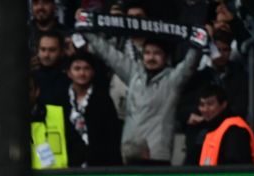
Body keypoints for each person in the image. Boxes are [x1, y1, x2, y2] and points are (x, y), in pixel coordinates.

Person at [82, 25, 202, 163]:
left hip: (157, 155)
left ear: (166, 57)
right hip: (129, 152)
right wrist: (86, 31)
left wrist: (198, 41)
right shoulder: (134, 74)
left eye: (157, 53)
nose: (151, 57)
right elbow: (109, 54)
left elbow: (190, 63)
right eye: (147, 53)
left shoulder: (172, 80)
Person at [64, 51, 122, 167]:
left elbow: (112, 136)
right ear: (69, 73)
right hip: (68, 163)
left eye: (86, 68)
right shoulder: (61, 98)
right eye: (77, 69)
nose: (82, 73)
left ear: (93, 72)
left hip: (97, 164)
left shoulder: (103, 99)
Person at [192, 84, 254, 166]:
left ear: (223, 104)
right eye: (202, 105)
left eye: (210, 104)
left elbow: (237, 167)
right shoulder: (210, 128)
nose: (205, 109)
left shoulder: (235, 130)